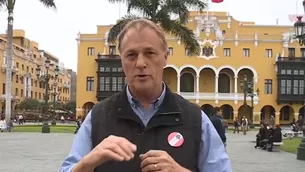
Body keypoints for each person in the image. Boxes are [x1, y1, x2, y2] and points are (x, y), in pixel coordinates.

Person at [60, 19, 231, 172]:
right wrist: (89, 162)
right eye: (131, 55)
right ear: (122, 61)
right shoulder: (98, 117)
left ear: (165, 57)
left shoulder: (195, 119)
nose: (140, 63)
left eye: (149, 53)